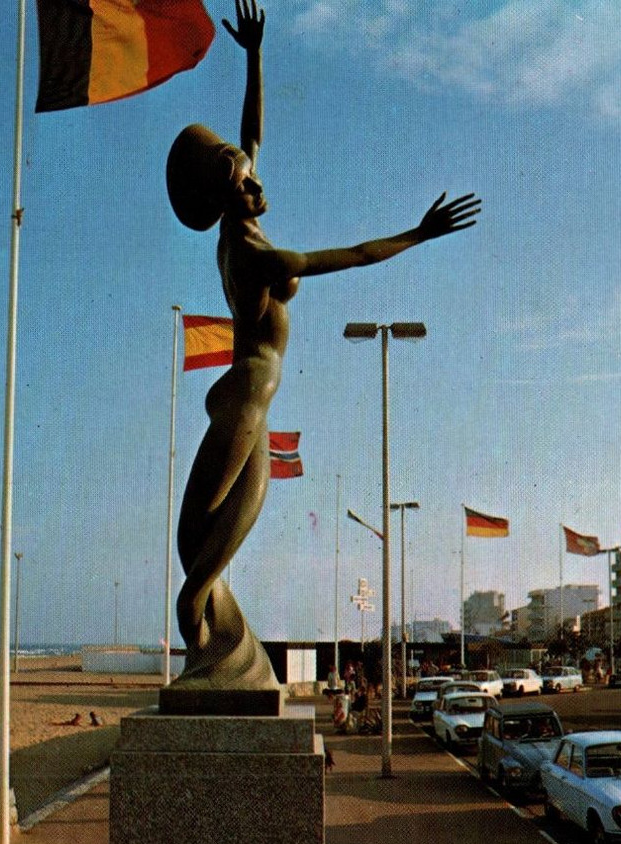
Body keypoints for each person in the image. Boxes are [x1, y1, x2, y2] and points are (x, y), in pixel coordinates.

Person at [166, 0, 481, 689]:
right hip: (248, 392)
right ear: (227, 199)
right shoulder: (256, 255)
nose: (254, 179)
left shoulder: (235, 213)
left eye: (246, 171)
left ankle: (219, 635)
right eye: (241, 180)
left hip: (252, 393)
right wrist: (418, 235)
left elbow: (252, 134)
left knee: (231, 516)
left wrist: (253, 56)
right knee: (204, 538)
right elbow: (357, 255)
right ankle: (195, 602)